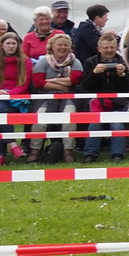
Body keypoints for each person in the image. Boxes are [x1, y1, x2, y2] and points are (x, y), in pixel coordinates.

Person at [80, 32, 129, 162]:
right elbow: (85, 86)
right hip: (97, 103)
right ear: (99, 49)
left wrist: (121, 75)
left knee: (116, 124)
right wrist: (94, 73)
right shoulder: (91, 62)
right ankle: (90, 154)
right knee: (95, 124)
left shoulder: (123, 61)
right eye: (106, 48)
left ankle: (117, 154)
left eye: (112, 47)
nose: (109, 50)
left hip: (118, 103)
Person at [30, 32, 83, 163]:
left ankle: (68, 150)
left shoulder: (75, 61)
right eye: (59, 45)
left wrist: (51, 81)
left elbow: (74, 81)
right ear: (52, 47)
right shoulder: (44, 61)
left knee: (69, 120)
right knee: (40, 120)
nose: (62, 47)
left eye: (66, 45)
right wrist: (62, 84)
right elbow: (38, 82)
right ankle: (34, 150)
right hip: (46, 97)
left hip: (69, 97)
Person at [0, 31, 33, 165]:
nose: (11, 46)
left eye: (14, 43)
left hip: (17, 97)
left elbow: (24, 84)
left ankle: (0, 155)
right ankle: (13, 145)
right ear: (2, 45)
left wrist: (11, 93)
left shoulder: (25, 61)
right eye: (8, 43)